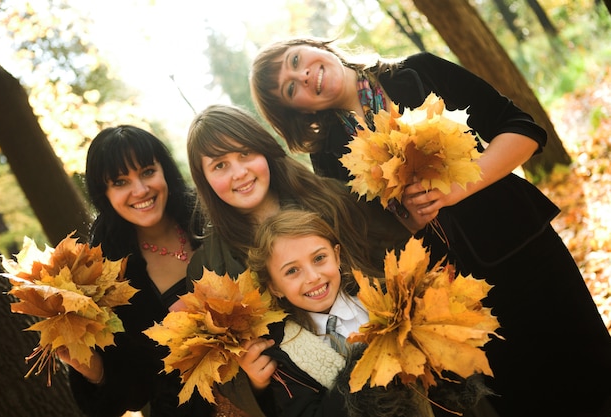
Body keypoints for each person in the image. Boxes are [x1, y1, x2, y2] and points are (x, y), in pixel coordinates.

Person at [249, 37, 611, 416]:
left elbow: (524, 129)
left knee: (591, 365)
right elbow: (371, 242)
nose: (304, 75)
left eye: (296, 60)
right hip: (450, 300)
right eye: (291, 88)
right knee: (525, 398)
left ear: (315, 46)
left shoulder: (417, 74)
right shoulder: (328, 158)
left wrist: (458, 188)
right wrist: (409, 220)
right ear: (297, 111)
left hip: (521, 247)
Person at [184, 104, 415, 417]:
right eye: (219, 165)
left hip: (408, 361)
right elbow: (222, 371)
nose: (239, 172)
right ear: (205, 180)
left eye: (244, 154)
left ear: (264, 151)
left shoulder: (330, 198)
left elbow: (402, 254)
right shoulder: (209, 268)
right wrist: (256, 382)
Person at [242, 208, 495, 417]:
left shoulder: (390, 299)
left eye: (319, 258)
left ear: (337, 255)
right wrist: (366, 368)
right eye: (292, 271)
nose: (313, 277)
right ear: (274, 287)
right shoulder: (285, 354)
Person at [58, 126, 213, 417]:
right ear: (104, 194)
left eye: (146, 172)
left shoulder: (209, 215)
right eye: (120, 181)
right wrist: (93, 370)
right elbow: (136, 393)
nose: (140, 190)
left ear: (163, 170)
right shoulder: (105, 277)